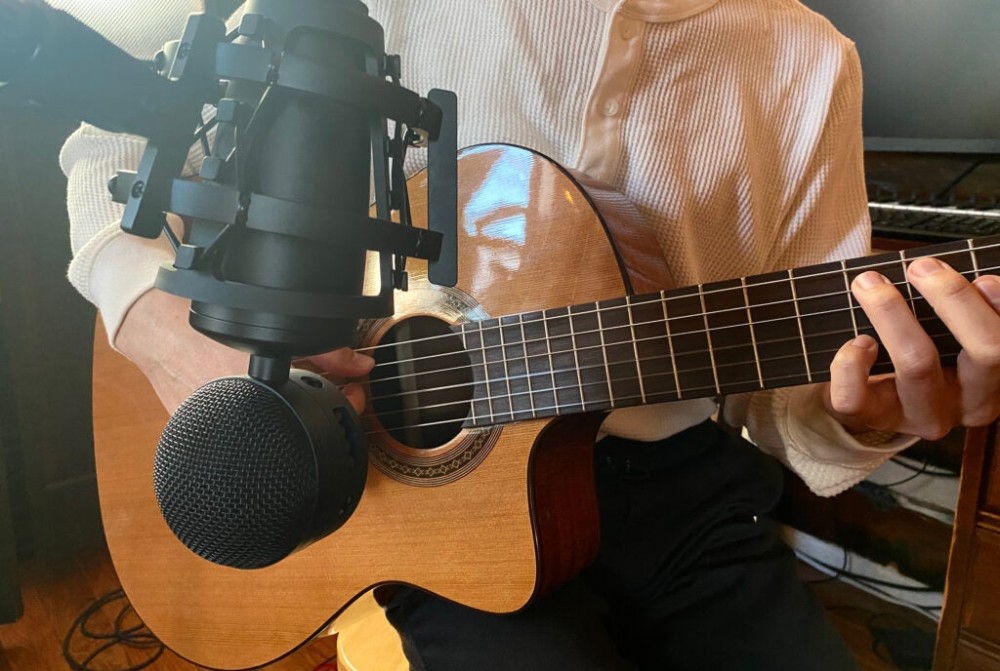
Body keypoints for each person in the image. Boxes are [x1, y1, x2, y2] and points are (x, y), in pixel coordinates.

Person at [52, 0, 1000, 669]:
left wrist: (867, 413)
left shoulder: (811, 62)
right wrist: (166, 331)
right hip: (406, 497)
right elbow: (110, 149)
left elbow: (783, 413)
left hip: (687, 509)